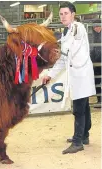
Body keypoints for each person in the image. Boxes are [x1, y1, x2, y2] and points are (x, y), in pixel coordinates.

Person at [42, 2, 96, 154]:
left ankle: (78, 142)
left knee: (78, 109)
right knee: (84, 106)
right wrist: (49, 75)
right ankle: (84, 136)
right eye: (61, 14)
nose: (63, 16)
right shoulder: (65, 33)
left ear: (73, 15)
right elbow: (63, 59)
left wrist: (69, 30)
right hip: (77, 75)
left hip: (81, 75)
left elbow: (76, 32)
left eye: (66, 13)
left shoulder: (78, 28)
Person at [90, 19, 101, 108]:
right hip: (95, 62)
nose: (97, 28)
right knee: (97, 81)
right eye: (95, 26)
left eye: (98, 26)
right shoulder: (90, 36)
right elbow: (90, 50)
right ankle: (99, 100)